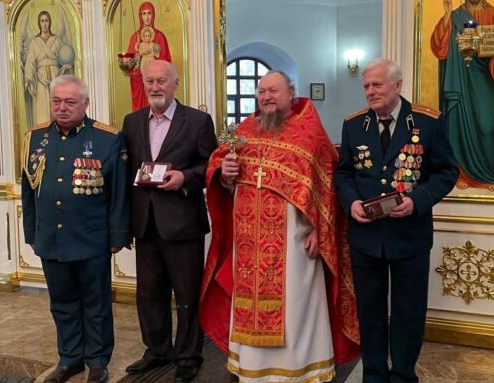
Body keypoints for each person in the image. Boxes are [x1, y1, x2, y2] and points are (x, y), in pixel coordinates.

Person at [200, 71, 360, 382]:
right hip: (249, 242)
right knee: (249, 302)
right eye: (261, 92)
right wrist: (225, 175)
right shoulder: (245, 130)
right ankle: (251, 367)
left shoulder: (309, 132)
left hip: (295, 241)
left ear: (290, 93)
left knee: (295, 305)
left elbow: (328, 186)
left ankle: (299, 370)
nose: (266, 97)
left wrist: (321, 230)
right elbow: (220, 170)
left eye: (273, 91)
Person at [335, 58, 458, 383]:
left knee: (408, 312)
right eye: (366, 86)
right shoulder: (354, 125)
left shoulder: (428, 122)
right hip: (366, 238)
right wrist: (351, 202)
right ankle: (374, 375)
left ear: (397, 85)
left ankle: (403, 375)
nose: (370, 92)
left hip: (409, 235)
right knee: (370, 312)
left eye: (377, 85)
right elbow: (344, 173)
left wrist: (418, 201)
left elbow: (447, 173)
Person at [21, 75, 130, 383]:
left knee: (96, 304)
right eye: (56, 101)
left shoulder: (108, 139)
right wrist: (31, 232)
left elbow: (120, 193)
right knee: (62, 303)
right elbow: (28, 189)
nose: (62, 107)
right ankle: (70, 358)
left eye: (70, 102)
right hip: (51, 238)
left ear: (85, 103)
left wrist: (117, 235)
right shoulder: (34, 138)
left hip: (91, 239)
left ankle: (97, 361)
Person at [122, 60, 217, 382]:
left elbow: (210, 165)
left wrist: (184, 178)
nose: (155, 87)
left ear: (176, 83)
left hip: (183, 223)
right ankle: (157, 351)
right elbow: (127, 169)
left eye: (161, 81)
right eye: (149, 81)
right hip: (145, 223)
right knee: (149, 295)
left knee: (187, 295)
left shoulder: (198, 121)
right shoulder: (132, 121)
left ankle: (188, 356)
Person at [430, 0, 494, 191]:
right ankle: (460, 174)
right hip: (459, 81)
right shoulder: (456, 16)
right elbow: (439, 47)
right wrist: (447, 14)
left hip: (486, 82)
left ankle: (486, 175)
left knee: (487, 126)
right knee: (457, 124)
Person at [24, 10, 74, 127]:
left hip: (55, 77)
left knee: (57, 105)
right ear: (39, 23)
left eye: (46, 21)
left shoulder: (56, 40)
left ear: (50, 22)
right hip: (40, 82)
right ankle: (44, 133)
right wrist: (28, 78)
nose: (44, 24)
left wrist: (66, 66)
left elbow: (63, 56)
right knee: (43, 111)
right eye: (42, 21)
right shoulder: (34, 42)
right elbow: (30, 62)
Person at [125, 1, 172, 111]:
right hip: (139, 81)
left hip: (155, 82)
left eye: (149, 13)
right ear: (140, 16)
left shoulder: (159, 36)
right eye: (144, 13)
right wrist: (134, 63)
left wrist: (154, 64)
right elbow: (130, 62)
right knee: (140, 113)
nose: (147, 17)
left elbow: (166, 61)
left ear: (153, 15)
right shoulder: (135, 37)